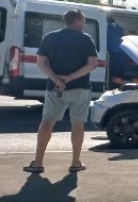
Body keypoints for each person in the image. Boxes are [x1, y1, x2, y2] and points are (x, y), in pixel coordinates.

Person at [24, 9, 99, 174]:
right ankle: (75, 162)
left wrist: (57, 79)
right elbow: (92, 64)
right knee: (77, 124)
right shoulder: (86, 40)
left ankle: (38, 163)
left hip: (55, 88)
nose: (84, 23)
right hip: (80, 88)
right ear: (77, 21)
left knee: (47, 123)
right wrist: (70, 77)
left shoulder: (49, 37)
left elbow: (42, 63)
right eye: (83, 20)